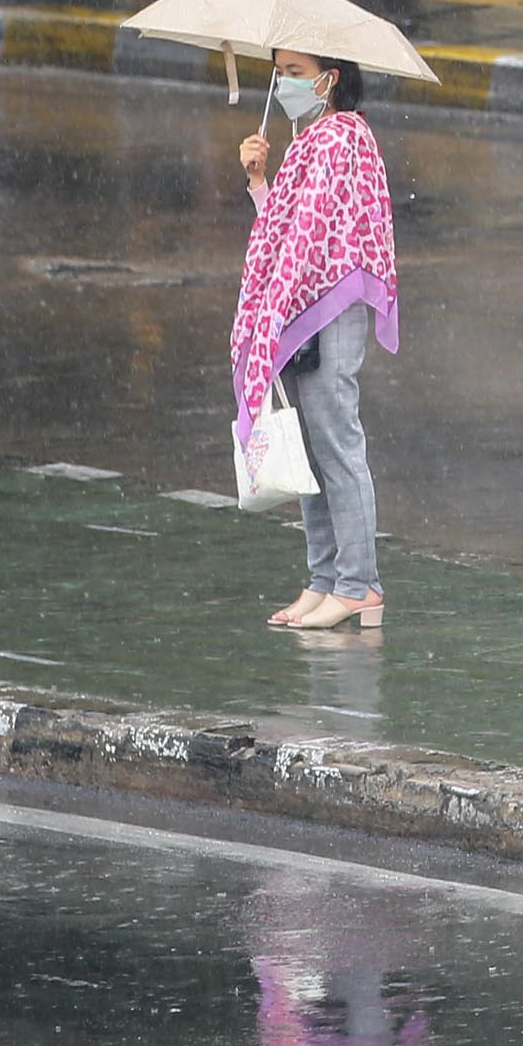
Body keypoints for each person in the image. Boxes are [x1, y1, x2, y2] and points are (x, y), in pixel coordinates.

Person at [233, 48, 402, 631]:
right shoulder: (312, 141)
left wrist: (278, 302)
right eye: (280, 71)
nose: (283, 83)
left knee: (334, 438)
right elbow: (291, 228)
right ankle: (324, 577)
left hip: (327, 305)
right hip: (309, 304)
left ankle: (359, 585)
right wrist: (261, 182)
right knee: (309, 443)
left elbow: (311, 237)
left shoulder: (339, 138)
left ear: (329, 80)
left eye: (296, 73)